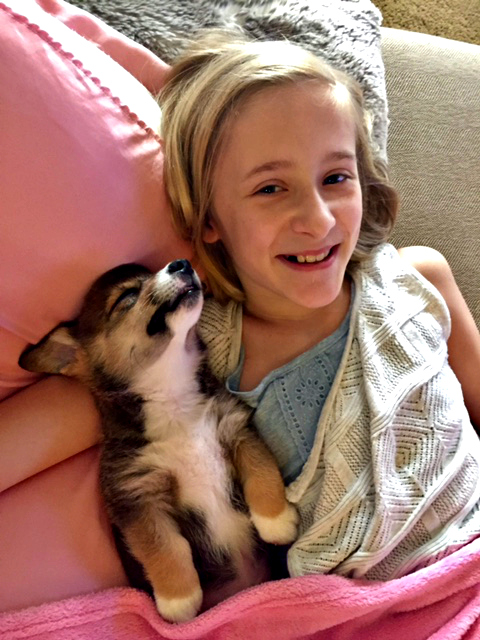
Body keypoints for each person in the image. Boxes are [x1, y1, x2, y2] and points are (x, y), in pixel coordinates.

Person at [158, 29, 480, 581]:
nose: (319, 219)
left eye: (335, 178)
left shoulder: (418, 279)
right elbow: (89, 404)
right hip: (354, 606)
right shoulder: (198, 349)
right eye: (270, 188)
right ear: (208, 217)